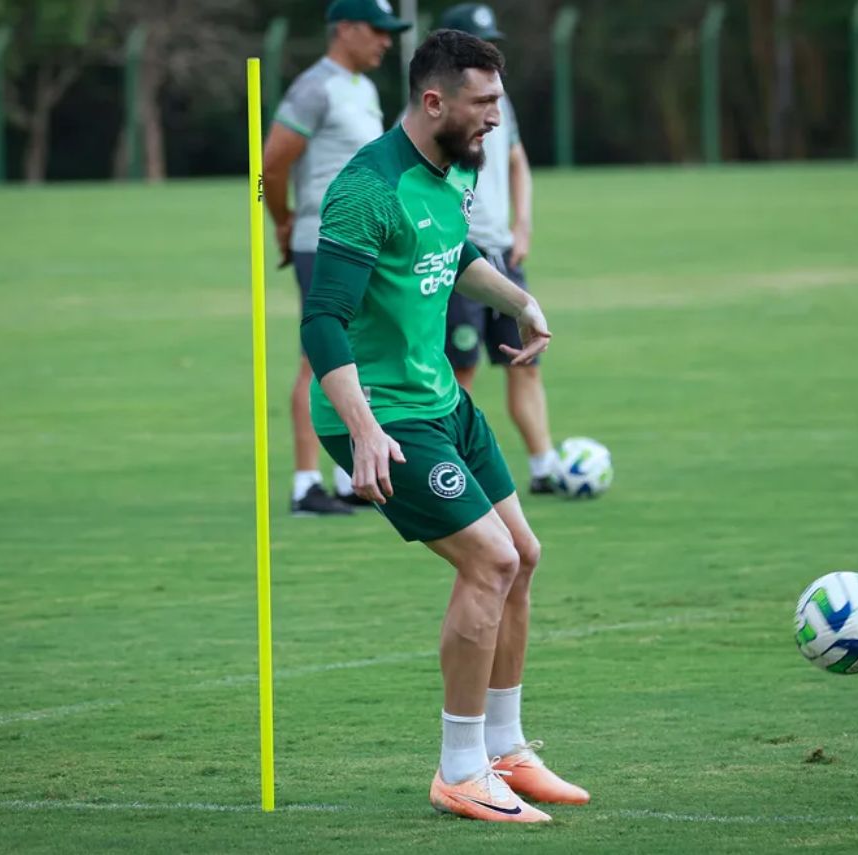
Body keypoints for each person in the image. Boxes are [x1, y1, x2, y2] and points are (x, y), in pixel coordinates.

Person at [300, 30, 588, 823]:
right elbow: (322, 322)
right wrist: (360, 430)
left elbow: (454, 255)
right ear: (435, 102)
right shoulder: (368, 189)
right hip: (382, 416)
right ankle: (459, 769)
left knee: (524, 555)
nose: (497, 117)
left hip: (441, 404)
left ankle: (505, 748)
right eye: (485, 102)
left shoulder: (450, 171)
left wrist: (520, 299)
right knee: (490, 562)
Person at [262, 0, 411, 515]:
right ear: (345, 29)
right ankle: (307, 483)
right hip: (321, 240)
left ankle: (351, 476)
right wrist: (281, 220)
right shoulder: (314, 86)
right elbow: (271, 163)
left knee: (358, 355)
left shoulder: (364, 88)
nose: (387, 40)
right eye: (377, 30)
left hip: (361, 241)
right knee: (318, 357)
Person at [437, 4, 558, 495]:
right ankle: (455, 475)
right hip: (459, 257)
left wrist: (522, 223)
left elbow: (516, 160)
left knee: (525, 359)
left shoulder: (498, 102)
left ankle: (546, 467)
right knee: (460, 369)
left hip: (502, 252)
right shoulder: (439, 107)